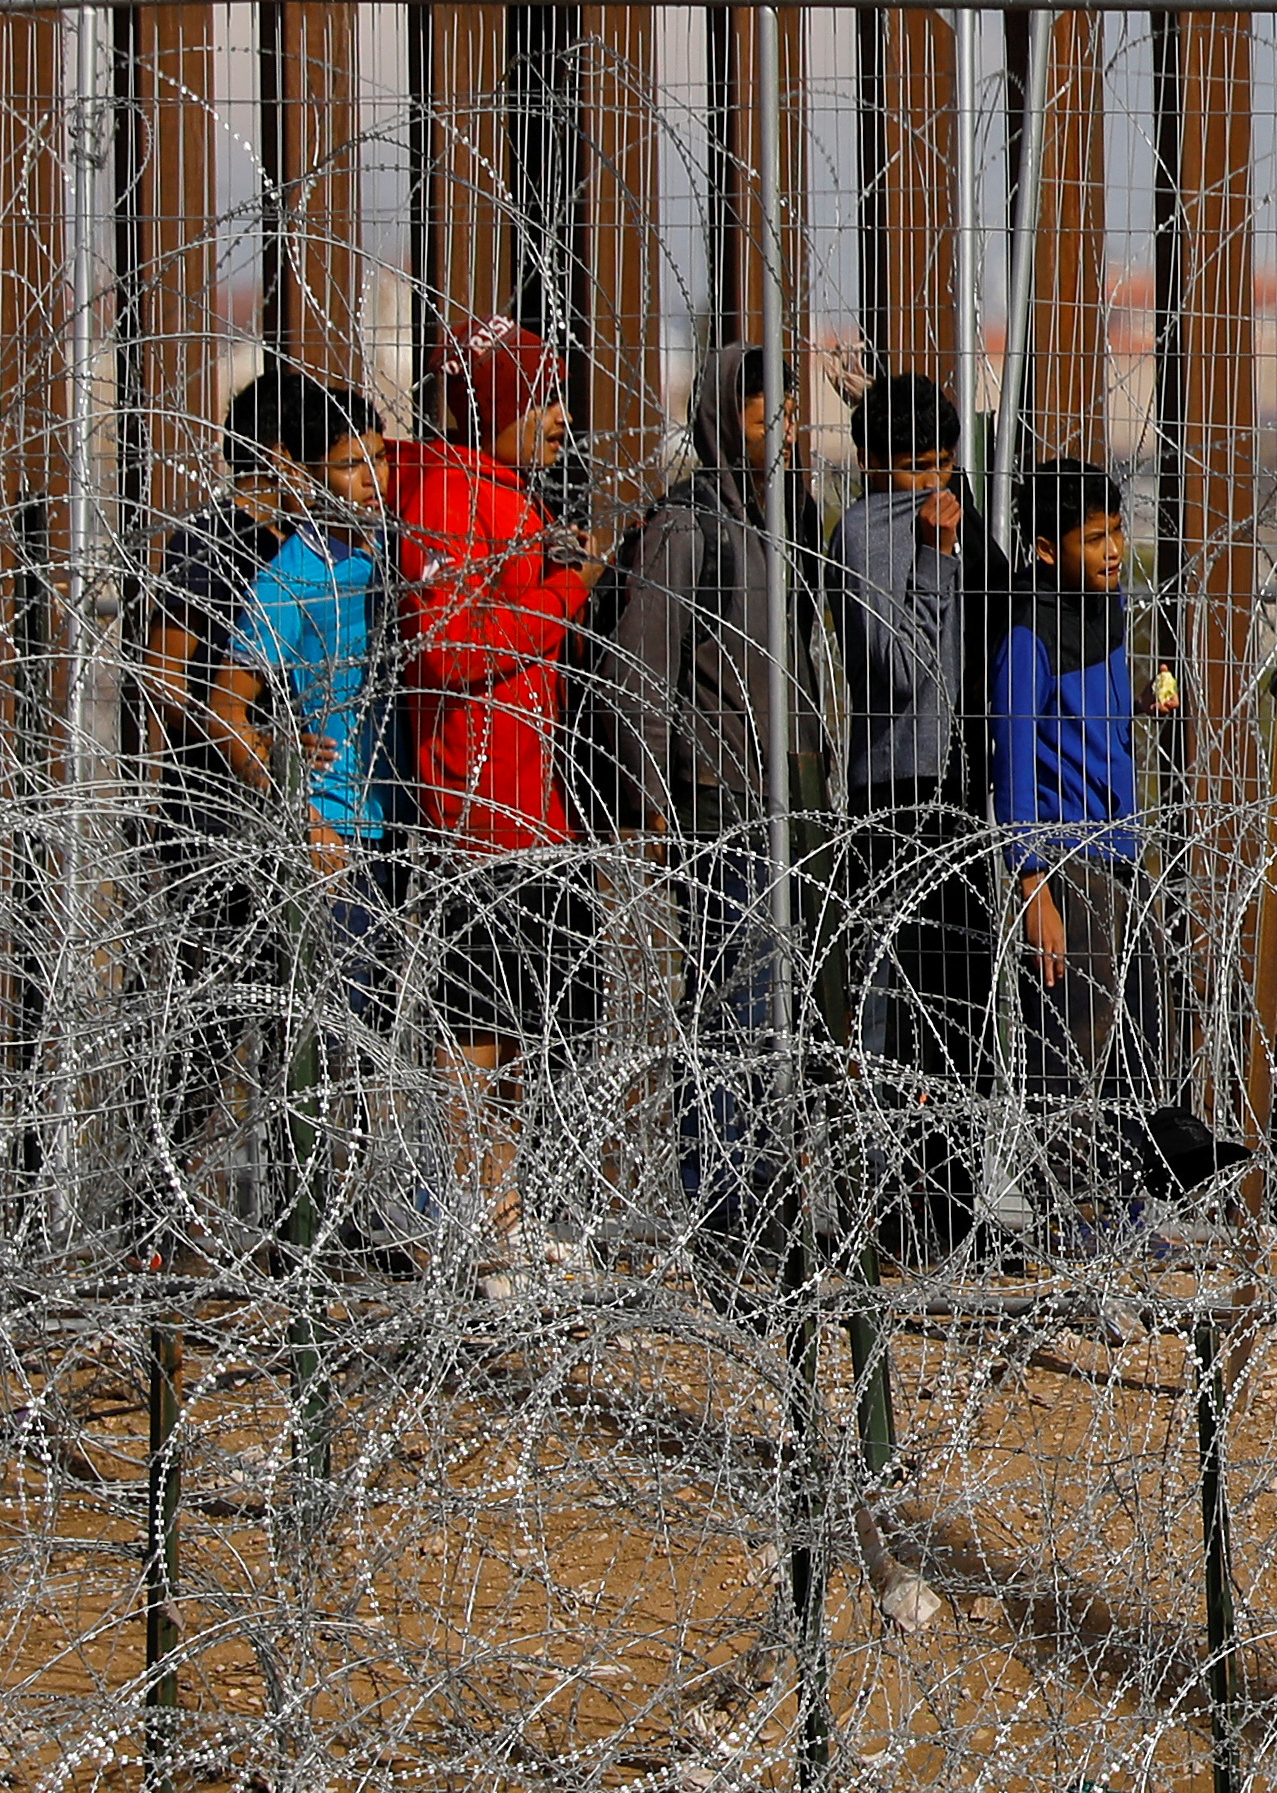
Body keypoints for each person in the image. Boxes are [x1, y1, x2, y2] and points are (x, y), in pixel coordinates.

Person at [598, 344, 836, 1263]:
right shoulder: (690, 527)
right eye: (758, 414)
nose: (779, 431)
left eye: (789, 415)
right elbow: (636, 667)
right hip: (724, 796)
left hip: (796, 791)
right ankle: (720, 1212)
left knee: (789, 1011)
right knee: (736, 1007)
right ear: (716, 419)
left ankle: (768, 1199)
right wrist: (654, 795)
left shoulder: (782, 522)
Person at [393, 319, 613, 1278]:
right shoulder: (447, 494)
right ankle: (476, 1224)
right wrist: (568, 589)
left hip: (533, 800)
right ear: (494, 404)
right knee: (481, 1019)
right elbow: (447, 649)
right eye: (542, 399)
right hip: (480, 805)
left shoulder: (505, 495)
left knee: (536, 1012)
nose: (561, 419)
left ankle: (508, 1214)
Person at [204, 377, 409, 1255]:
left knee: (370, 1045)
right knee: (319, 1047)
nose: (367, 479)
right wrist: (295, 810)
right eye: (347, 466)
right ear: (308, 475)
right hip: (333, 840)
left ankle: (353, 1220)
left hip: (400, 828)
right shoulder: (294, 573)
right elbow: (224, 704)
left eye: (376, 461)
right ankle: (308, 1236)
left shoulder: (393, 558)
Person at [832, 371, 1017, 1260]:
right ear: (871, 468)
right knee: (913, 1007)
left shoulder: (941, 508)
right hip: (899, 793)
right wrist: (940, 560)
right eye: (913, 470)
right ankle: (909, 1212)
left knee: (961, 1006)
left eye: (946, 466)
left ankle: (951, 1205)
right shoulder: (869, 532)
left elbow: (999, 608)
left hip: (957, 784)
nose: (934, 487)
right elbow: (903, 670)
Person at [134, 366, 323, 1178]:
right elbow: (167, 684)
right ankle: (158, 1213)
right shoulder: (213, 545)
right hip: (217, 819)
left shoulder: (304, 549)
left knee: (301, 1029)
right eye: (312, 457)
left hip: (294, 815)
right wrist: (249, 742)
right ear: (278, 455)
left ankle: (300, 1217)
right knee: (208, 1028)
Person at [991, 457, 1152, 1252]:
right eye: (1094, 538)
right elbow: (1013, 758)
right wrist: (1033, 884)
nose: (1114, 549)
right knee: (1074, 1047)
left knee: (1133, 1035)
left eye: (1117, 531)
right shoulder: (1029, 631)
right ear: (1048, 550)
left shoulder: (1110, 608)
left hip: (1119, 849)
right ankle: (1070, 1214)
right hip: (1065, 860)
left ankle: (1122, 1208)